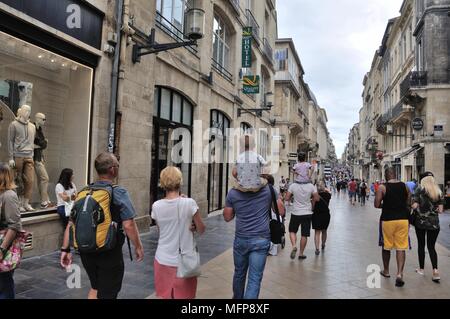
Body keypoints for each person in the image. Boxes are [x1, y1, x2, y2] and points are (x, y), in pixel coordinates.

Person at [60, 152, 144, 299]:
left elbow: (71, 223)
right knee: (108, 293)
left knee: (95, 287)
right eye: (117, 165)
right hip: (109, 252)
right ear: (112, 169)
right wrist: (138, 246)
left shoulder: (84, 191)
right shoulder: (118, 191)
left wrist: (65, 249)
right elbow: (129, 224)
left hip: (87, 251)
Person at [152, 166, 206, 299]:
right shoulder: (189, 203)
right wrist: (192, 224)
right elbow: (201, 229)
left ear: (162, 183)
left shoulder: (156, 206)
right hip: (185, 261)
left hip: (162, 259)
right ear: (179, 181)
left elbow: (161, 231)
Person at [223, 181, 281, 299]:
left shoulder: (233, 192)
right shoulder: (269, 190)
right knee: (255, 278)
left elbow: (227, 217)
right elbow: (281, 211)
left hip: (241, 239)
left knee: (239, 274)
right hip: (261, 239)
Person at [374, 168, 411, 288]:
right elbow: (408, 202)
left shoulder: (382, 187)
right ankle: (399, 274)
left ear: (386, 176)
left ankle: (386, 271)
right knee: (401, 247)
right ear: (396, 175)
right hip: (403, 220)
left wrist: (386, 204)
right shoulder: (405, 186)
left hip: (388, 220)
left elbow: (376, 204)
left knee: (386, 246)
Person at [411, 172, 444, 283]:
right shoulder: (438, 191)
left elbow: (414, 206)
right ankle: (435, 271)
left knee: (421, 245)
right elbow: (440, 210)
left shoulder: (419, 190)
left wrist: (418, 206)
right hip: (434, 224)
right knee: (431, 247)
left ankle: (421, 269)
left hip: (420, 223)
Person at [0, 163, 22, 299]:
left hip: (3, 245)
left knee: (4, 284)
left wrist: (2, 249)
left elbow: (14, 226)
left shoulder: (8, 196)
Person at [285, 176, 320, 260]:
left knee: (292, 231)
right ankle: (301, 254)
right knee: (304, 234)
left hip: (296, 212)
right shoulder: (311, 186)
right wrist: (311, 200)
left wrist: (292, 197)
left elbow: (286, 198)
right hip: (307, 212)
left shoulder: (293, 185)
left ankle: (294, 245)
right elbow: (317, 198)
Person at [265, 175, 286, 256]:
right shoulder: (273, 190)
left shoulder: (271, 190)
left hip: (271, 216)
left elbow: (280, 209)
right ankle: (272, 250)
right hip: (273, 216)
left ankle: (271, 249)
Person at [312, 181, 331, 256]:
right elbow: (328, 191)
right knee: (324, 231)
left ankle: (317, 249)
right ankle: (323, 244)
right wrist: (325, 189)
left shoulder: (315, 196)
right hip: (326, 215)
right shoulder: (328, 195)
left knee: (317, 232)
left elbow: (313, 207)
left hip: (317, 214)